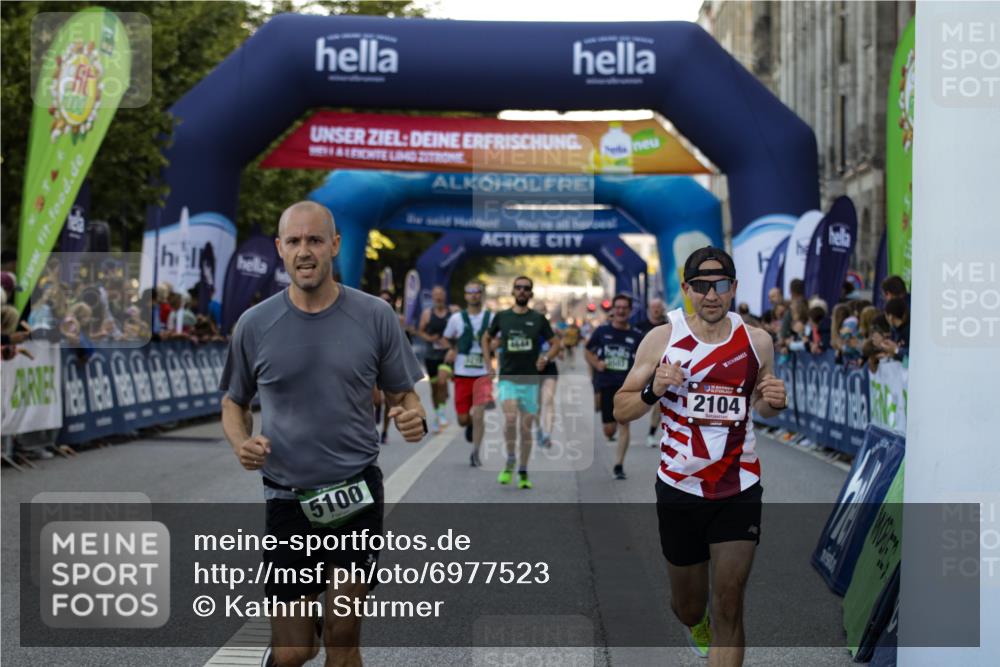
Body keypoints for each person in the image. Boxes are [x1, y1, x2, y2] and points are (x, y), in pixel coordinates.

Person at [219, 201, 427, 667]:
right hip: (287, 498)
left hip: (355, 491)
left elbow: (403, 394)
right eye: (294, 241)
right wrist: (241, 444)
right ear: (280, 250)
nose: (305, 251)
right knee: (295, 651)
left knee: (343, 633)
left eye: (315, 240)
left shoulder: (375, 316)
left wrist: (412, 415)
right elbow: (233, 401)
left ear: (335, 244)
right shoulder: (254, 325)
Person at [613, 246, 787, 665]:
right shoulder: (663, 338)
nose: (712, 295)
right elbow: (620, 409)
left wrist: (773, 401)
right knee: (689, 607)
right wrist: (655, 388)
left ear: (734, 289)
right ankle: (697, 622)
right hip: (680, 489)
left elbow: (761, 405)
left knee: (730, 601)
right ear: (687, 289)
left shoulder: (757, 341)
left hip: (738, 486)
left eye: (721, 285)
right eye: (703, 286)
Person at [482, 276, 561, 490]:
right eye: (518, 287)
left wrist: (546, 358)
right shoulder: (502, 317)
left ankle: (523, 470)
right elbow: (486, 338)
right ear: (513, 292)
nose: (522, 291)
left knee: (526, 429)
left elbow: (556, 343)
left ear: (531, 294)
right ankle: (510, 458)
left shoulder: (538, 319)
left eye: (526, 288)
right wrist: (488, 363)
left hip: (531, 380)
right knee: (509, 419)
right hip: (508, 378)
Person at [584, 293, 643, 479]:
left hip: (627, 387)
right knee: (609, 429)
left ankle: (618, 465)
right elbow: (587, 350)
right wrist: (596, 363)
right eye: (617, 307)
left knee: (624, 425)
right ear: (613, 310)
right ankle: (611, 430)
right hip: (606, 384)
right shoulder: (602, 332)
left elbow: (644, 360)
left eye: (624, 307)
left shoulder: (636, 336)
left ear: (630, 311)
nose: (620, 310)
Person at [442, 280, 493, 466]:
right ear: (465, 296)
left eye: (477, 291)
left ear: (481, 294)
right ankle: (470, 425)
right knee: (463, 419)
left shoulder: (491, 317)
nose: (474, 295)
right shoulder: (456, 318)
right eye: (470, 292)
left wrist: (494, 345)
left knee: (480, 414)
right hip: (462, 374)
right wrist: (452, 349)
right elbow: (446, 338)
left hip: (483, 374)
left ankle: (476, 452)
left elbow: (501, 339)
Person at [417, 285, 452, 432]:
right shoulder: (427, 314)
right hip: (431, 356)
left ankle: (442, 413)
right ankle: (438, 414)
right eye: (435, 295)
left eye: (440, 295)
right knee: (434, 388)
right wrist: (430, 338)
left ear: (444, 296)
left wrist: (450, 342)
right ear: (432, 297)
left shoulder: (452, 313)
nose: (438, 297)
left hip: (446, 355)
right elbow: (420, 332)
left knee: (442, 382)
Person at [636, 297, 667, 447]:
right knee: (640, 402)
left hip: (659, 370)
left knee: (658, 404)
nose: (656, 310)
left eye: (658, 307)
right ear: (649, 309)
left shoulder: (668, 326)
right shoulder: (639, 327)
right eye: (653, 307)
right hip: (641, 370)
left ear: (662, 309)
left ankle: (651, 434)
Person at [535, 302, 559, 450]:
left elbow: (558, 347)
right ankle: (538, 430)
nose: (541, 314)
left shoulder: (552, 330)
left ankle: (547, 435)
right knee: (536, 404)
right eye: (537, 312)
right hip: (533, 368)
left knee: (548, 400)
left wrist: (555, 352)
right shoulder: (529, 330)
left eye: (543, 311)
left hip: (549, 366)